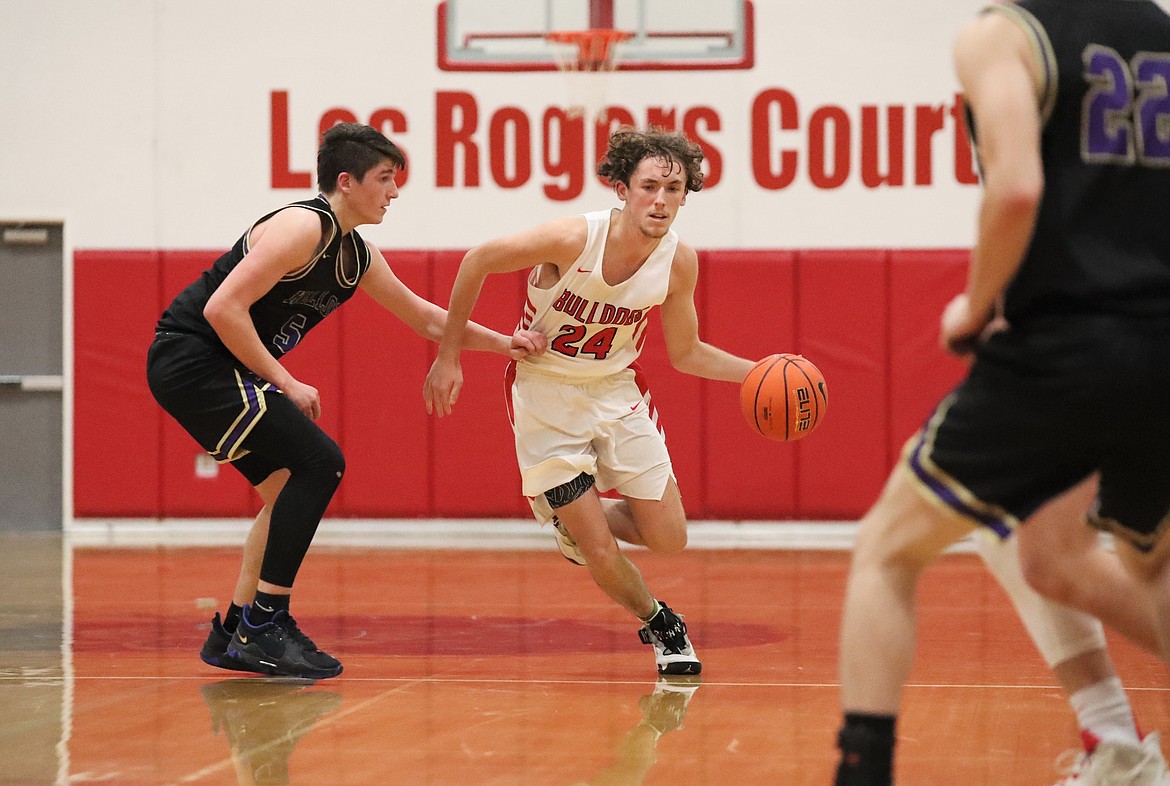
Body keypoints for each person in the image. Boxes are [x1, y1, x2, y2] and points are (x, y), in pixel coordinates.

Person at [832, 1, 1170, 784]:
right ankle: (1115, 741)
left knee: (887, 550)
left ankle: (861, 771)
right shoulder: (1158, 31)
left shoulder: (1003, 34)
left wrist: (975, 307)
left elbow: (1015, 188)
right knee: (1126, 562)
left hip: (1068, 344)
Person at [147, 122, 545, 679]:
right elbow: (221, 309)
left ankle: (237, 630)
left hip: (217, 368)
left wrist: (509, 344)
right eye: (385, 178)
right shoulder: (300, 226)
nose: (394, 192)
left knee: (288, 484)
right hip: (191, 360)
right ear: (346, 181)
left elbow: (427, 318)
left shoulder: (355, 255)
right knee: (322, 462)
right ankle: (266, 621)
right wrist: (287, 381)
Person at [422, 126, 759, 676]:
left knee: (670, 539)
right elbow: (477, 259)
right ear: (622, 188)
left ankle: (569, 515)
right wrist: (450, 355)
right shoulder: (572, 239)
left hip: (616, 390)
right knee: (599, 551)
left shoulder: (679, 262)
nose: (661, 199)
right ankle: (660, 622)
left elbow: (687, 352)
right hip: (545, 394)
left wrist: (759, 371)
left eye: (674, 189)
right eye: (649, 185)